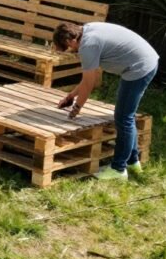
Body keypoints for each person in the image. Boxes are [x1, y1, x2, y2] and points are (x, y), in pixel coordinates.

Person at [53, 21, 159, 181]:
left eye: (68, 48)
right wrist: (70, 97)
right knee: (126, 116)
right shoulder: (87, 30)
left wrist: (77, 108)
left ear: (71, 41)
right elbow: (87, 80)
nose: (72, 51)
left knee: (123, 118)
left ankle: (118, 169)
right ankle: (133, 162)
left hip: (139, 67)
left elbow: (90, 83)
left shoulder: (88, 46)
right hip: (144, 61)